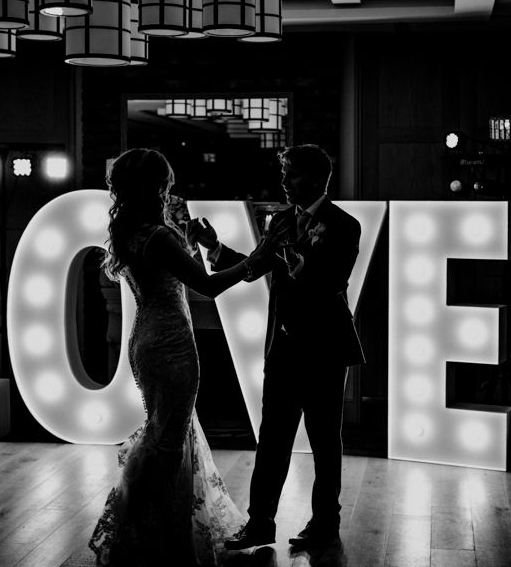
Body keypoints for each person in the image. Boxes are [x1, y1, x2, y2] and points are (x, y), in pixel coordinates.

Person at [187, 143, 365, 551]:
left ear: (318, 179)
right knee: (272, 440)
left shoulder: (344, 225)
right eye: (283, 173)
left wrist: (290, 255)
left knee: (324, 442)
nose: (284, 181)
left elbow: (332, 281)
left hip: (325, 352)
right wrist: (213, 248)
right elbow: (254, 268)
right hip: (282, 351)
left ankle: (325, 524)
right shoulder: (281, 220)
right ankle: (260, 523)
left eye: (293, 174)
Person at [88, 148, 260, 566]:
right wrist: (259, 259)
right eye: (166, 182)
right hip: (172, 344)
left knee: (163, 433)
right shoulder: (160, 236)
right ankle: (159, 541)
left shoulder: (131, 230)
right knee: (168, 441)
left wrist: (200, 244)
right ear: (157, 186)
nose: (171, 189)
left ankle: (145, 531)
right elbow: (207, 286)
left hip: (144, 340)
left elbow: (174, 277)